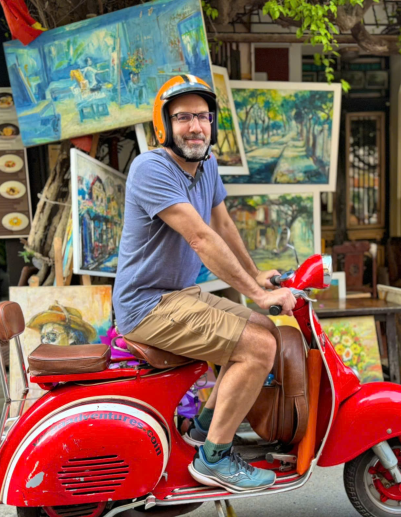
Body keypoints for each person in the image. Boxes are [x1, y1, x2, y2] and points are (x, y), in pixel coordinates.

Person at [113, 75, 296, 493]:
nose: (195, 126)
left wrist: (256, 278)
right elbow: (199, 236)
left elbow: (222, 223)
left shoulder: (206, 165)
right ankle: (214, 457)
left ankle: (203, 428)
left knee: (267, 330)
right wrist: (259, 294)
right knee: (259, 346)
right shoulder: (151, 168)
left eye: (202, 116)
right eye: (183, 118)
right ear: (165, 125)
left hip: (179, 296)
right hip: (147, 305)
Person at [27, 303, 98, 346]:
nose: (44, 341)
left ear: (71, 336)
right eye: (42, 337)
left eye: (52, 336)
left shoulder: (85, 361)